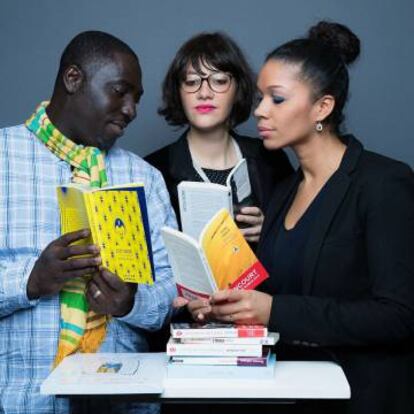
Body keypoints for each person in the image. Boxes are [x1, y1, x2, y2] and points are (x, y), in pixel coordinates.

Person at [178, 22, 414, 413]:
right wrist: (220, 304)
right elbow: (270, 295)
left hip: (362, 399)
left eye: (277, 99)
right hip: (289, 397)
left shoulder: (384, 183)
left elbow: (400, 315)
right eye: (260, 98)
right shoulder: (284, 191)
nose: (259, 111)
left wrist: (274, 311)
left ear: (323, 107)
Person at [0, 31, 177, 414]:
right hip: (19, 400)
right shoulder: (1, 158)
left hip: (122, 403)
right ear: (73, 79)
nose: (131, 110)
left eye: (137, 99)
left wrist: (131, 302)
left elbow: (171, 295)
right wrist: (28, 282)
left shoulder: (144, 178)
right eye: (120, 92)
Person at [145, 32, 293, 244]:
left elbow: (300, 242)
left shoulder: (271, 160)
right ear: (178, 91)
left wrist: (272, 230)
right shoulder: (153, 170)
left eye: (219, 80)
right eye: (191, 81)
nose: (204, 92)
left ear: (238, 89)